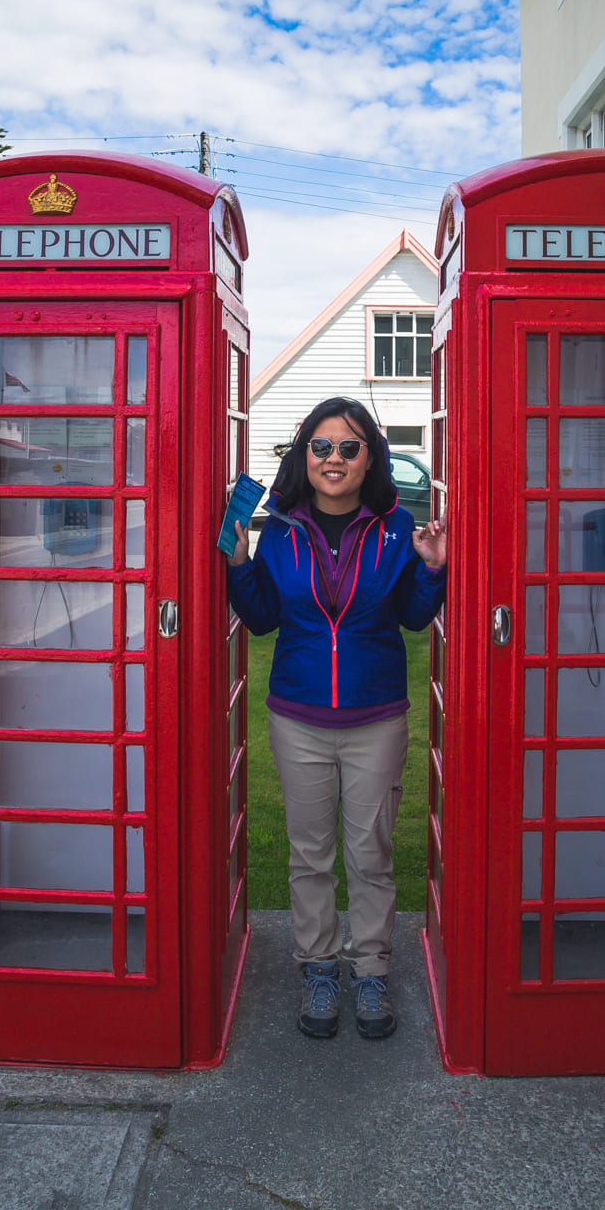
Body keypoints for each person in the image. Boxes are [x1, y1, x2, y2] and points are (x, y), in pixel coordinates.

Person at [226, 397, 447, 1040]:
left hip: (375, 716)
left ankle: (372, 967)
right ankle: (319, 965)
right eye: (321, 447)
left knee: (370, 852)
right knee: (309, 852)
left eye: (349, 448)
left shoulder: (395, 530)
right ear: (304, 456)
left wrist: (433, 570)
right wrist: (239, 563)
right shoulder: (281, 533)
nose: (334, 460)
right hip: (297, 716)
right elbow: (263, 619)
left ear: (369, 459)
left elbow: (410, 615)